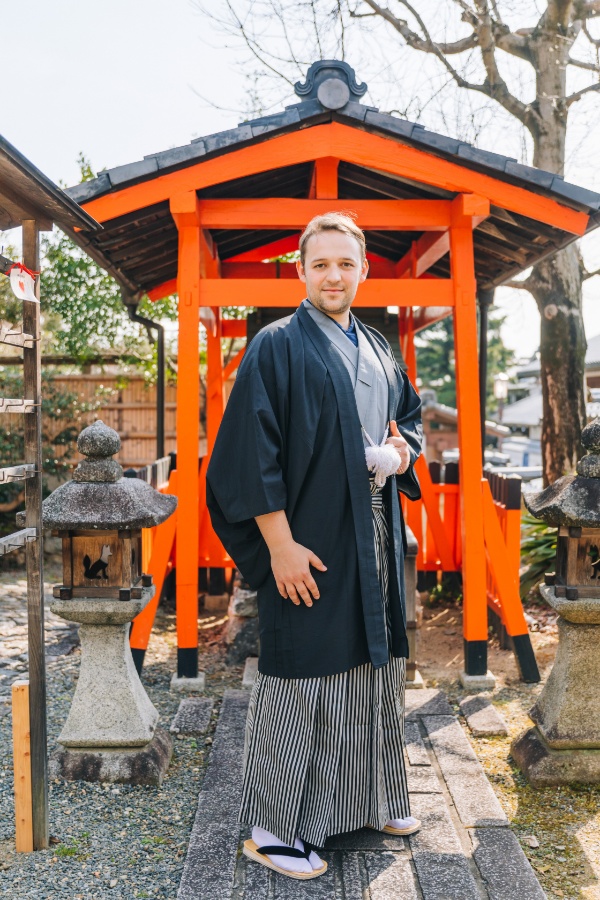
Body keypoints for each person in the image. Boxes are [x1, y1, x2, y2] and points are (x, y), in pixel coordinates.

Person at [206, 212, 423, 880]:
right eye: (321, 264)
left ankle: (364, 801)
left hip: (374, 532)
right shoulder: (276, 345)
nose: (334, 275)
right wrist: (278, 547)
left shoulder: (381, 347)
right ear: (300, 271)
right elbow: (250, 456)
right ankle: (274, 828)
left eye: (346, 263)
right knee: (303, 672)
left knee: (368, 662)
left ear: (363, 270)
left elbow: (408, 419)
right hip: (309, 540)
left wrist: (394, 453)